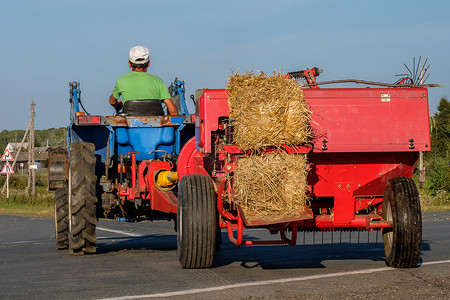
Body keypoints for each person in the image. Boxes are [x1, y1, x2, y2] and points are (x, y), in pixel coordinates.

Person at [109, 46, 178, 115]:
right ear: (149, 64)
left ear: (129, 64)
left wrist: (117, 105)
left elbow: (112, 101)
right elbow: (173, 110)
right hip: (155, 124)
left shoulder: (121, 80)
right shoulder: (158, 81)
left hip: (128, 123)